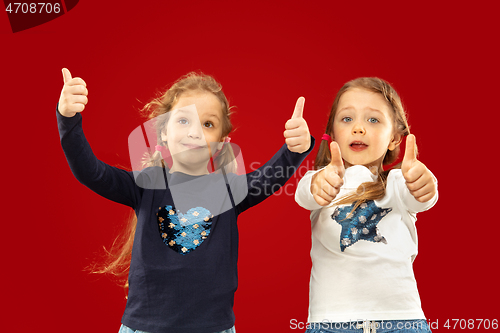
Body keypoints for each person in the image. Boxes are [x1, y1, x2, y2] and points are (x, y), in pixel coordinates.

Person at [57, 68, 314, 333]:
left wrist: (295, 148)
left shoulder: (229, 191)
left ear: (223, 144)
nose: (195, 133)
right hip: (144, 327)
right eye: (183, 121)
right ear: (163, 132)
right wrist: (68, 118)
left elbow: (269, 177)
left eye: (208, 124)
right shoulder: (145, 185)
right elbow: (92, 172)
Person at [295, 77, 437, 333]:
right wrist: (320, 183)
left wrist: (424, 184)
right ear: (333, 134)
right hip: (331, 323)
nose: (358, 128)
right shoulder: (322, 181)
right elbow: (305, 194)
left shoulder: (397, 183)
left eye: (373, 120)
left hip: (401, 320)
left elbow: (420, 198)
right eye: (347, 119)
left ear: (394, 138)